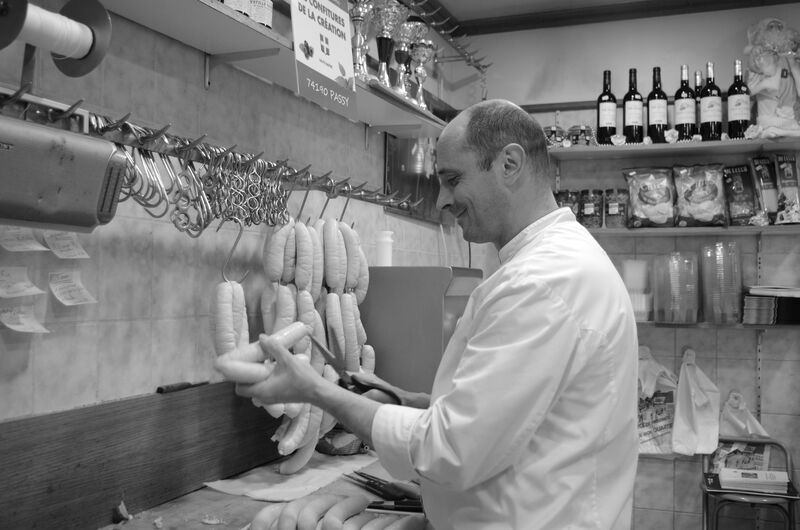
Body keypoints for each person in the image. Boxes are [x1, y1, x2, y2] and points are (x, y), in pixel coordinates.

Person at [234, 99, 639, 529]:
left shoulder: (542, 282)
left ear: (510, 163)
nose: (443, 199)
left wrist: (318, 392)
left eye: (452, 179)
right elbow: (503, 416)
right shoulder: (550, 266)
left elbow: (454, 450)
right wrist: (407, 401)